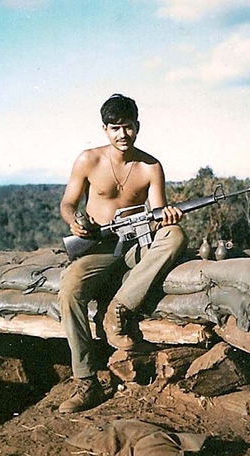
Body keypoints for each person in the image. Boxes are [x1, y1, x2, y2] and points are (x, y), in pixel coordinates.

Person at [57, 94, 187, 413]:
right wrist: (75, 221)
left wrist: (167, 217)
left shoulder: (150, 166)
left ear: (137, 127)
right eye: (115, 128)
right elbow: (68, 203)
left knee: (175, 235)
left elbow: (157, 214)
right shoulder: (88, 160)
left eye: (127, 127)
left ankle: (120, 308)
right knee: (70, 290)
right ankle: (85, 382)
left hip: (136, 248)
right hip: (99, 248)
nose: (122, 135)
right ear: (104, 129)